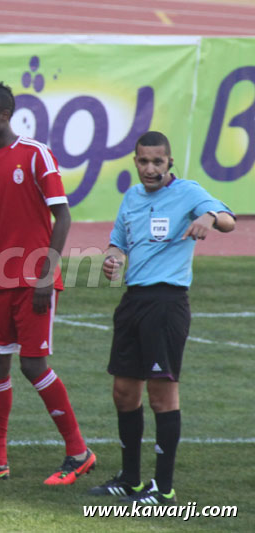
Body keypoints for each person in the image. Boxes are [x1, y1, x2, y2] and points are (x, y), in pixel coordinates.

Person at [0, 80, 95, 484]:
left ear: (3, 115)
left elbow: (62, 217)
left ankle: (78, 451)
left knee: (34, 365)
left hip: (33, 279)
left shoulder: (35, 155)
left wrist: (47, 275)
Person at [91, 131, 236, 505]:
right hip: (133, 302)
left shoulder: (188, 192)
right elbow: (117, 241)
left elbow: (228, 221)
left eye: (158, 161)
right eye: (143, 161)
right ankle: (130, 479)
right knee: (124, 393)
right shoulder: (132, 197)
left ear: (169, 162)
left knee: (161, 396)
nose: (150, 168)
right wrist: (113, 258)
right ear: (135, 162)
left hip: (167, 303)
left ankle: (164, 487)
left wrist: (208, 215)